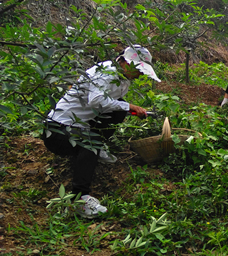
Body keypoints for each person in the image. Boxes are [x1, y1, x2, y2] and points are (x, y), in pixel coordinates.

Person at [43, 45, 161, 218]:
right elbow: (96, 100)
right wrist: (129, 106)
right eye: (139, 70)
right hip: (56, 131)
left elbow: (111, 105)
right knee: (91, 142)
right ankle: (80, 200)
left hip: (76, 126)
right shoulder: (105, 73)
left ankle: (94, 149)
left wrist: (128, 109)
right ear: (125, 63)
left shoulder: (122, 79)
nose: (140, 74)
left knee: (119, 110)